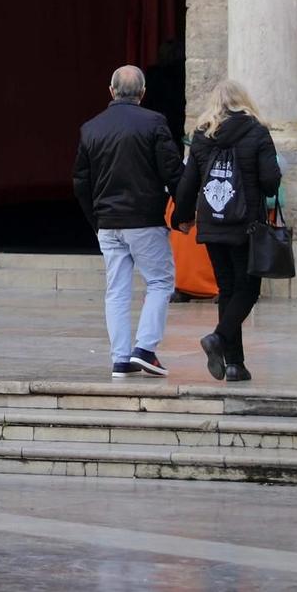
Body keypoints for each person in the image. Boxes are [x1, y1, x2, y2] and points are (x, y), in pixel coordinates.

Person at [75, 65, 181, 379]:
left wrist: (96, 220)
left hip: (108, 222)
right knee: (160, 282)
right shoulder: (154, 122)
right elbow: (172, 172)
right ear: (143, 93)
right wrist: (183, 212)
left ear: (111, 91)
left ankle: (120, 358)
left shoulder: (91, 128)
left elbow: (81, 182)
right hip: (144, 219)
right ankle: (144, 349)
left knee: (117, 290)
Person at [174, 79, 281, 383]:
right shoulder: (257, 132)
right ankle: (219, 339)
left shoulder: (202, 135)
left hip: (212, 221)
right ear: (243, 101)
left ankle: (235, 364)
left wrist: (182, 216)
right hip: (245, 224)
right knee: (248, 289)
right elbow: (271, 181)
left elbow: (188, 181)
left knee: (227, 289)